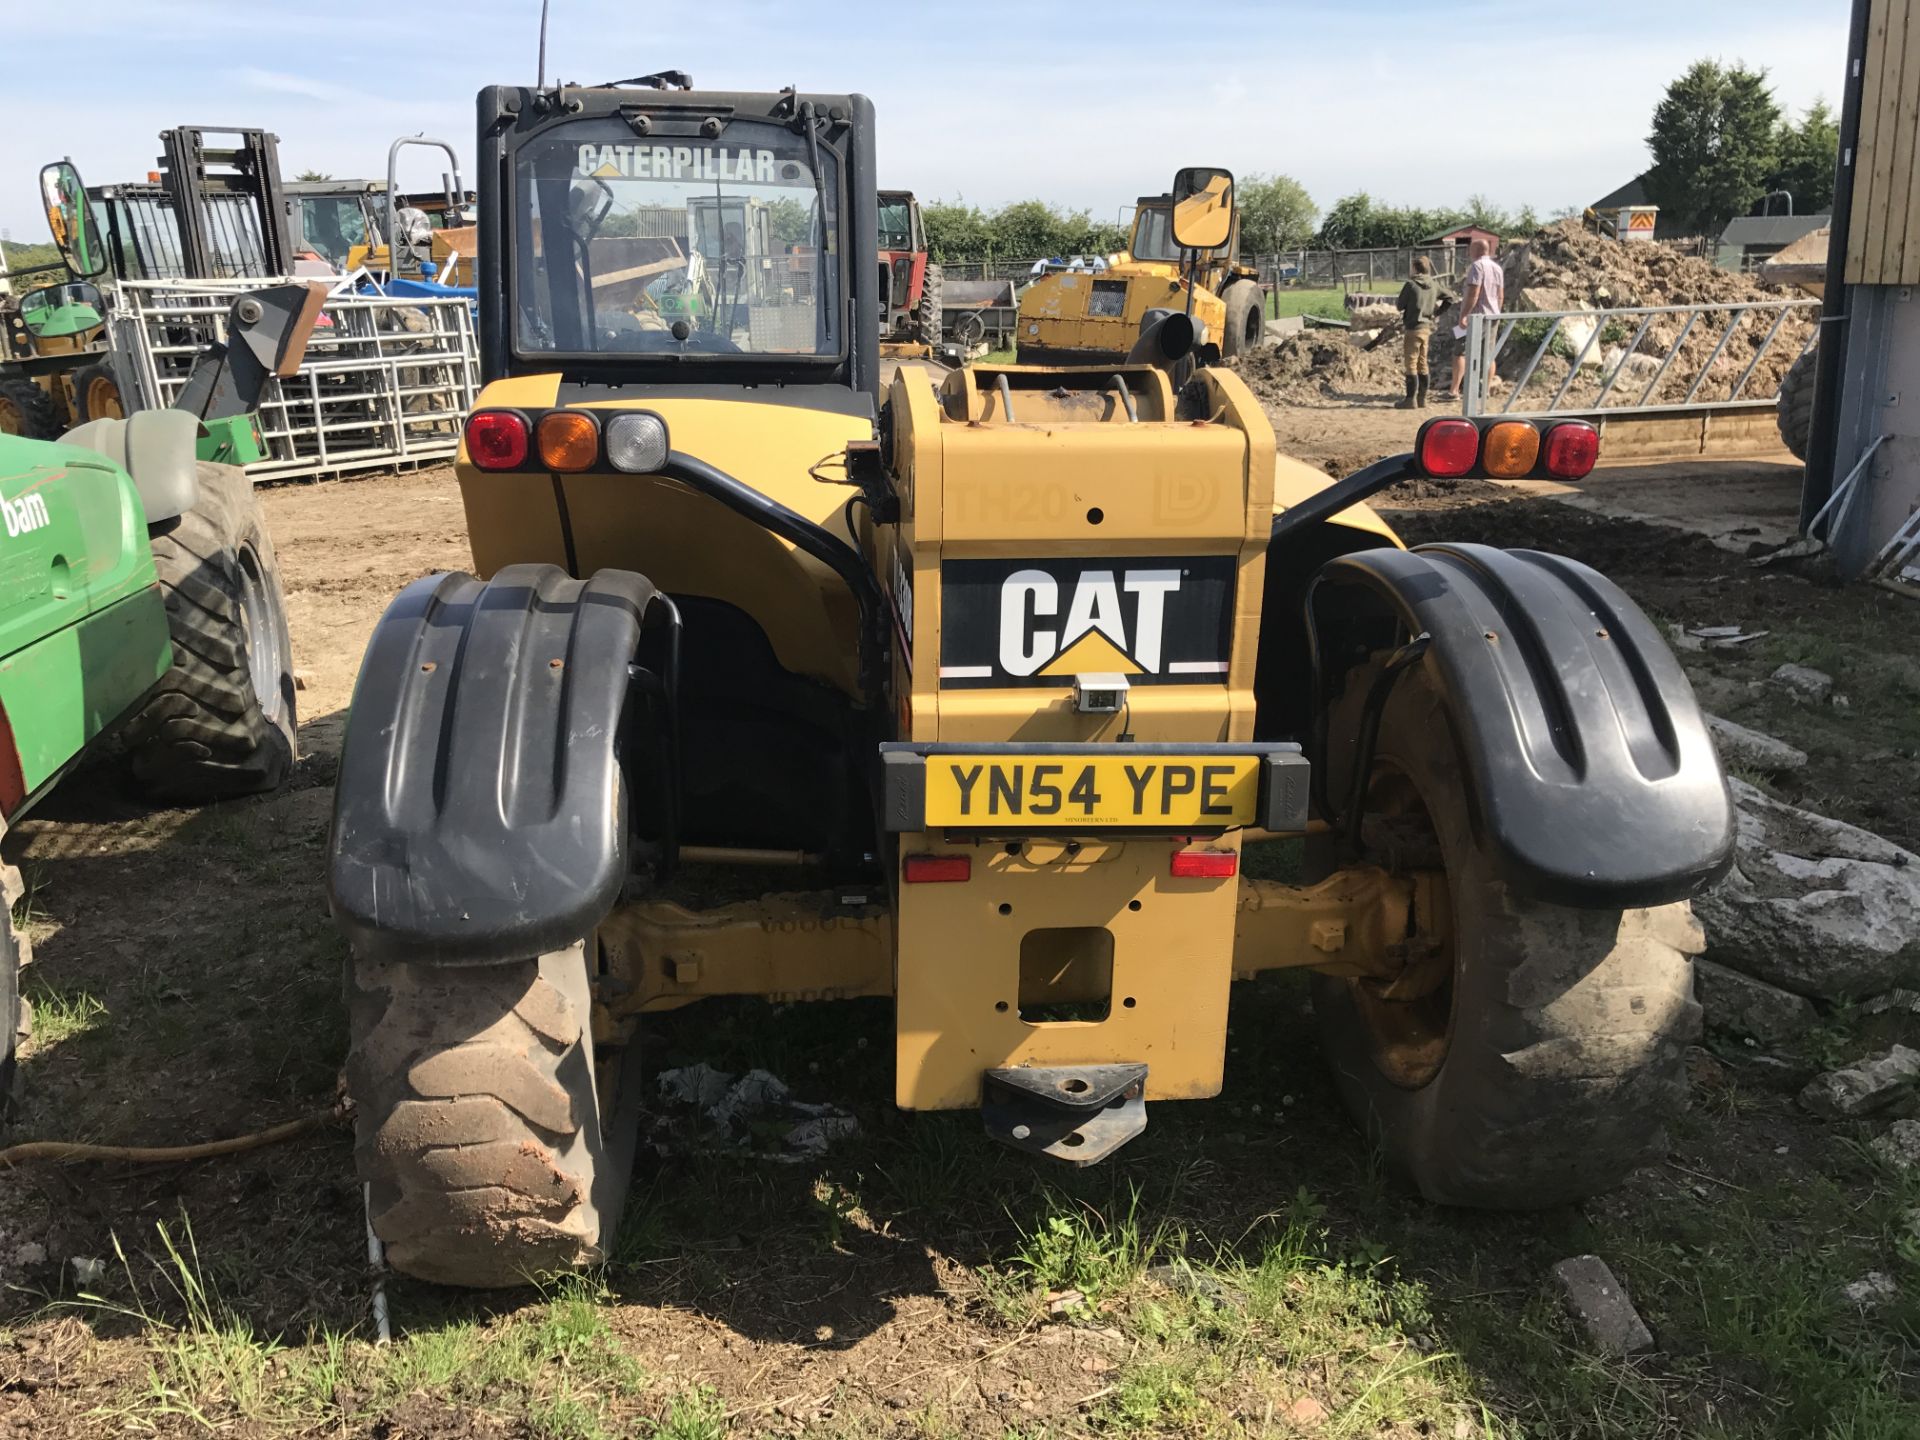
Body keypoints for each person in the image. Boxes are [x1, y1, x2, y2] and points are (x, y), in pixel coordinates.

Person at [1445, 237, 1505, 401]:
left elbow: (1474, 293)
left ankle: (1454, 391)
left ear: (1477, 250)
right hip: (1492, 316)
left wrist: (1464, 315)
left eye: (1471, 249)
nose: (1469, 252)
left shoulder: (1477, 266)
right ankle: (1484, 391)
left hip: (1475, 317)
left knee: (1460, 352)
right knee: (1489, 354)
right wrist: (1496, 312)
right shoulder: (1497, 268)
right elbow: (1500, 296)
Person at [1394, 257, 1443, 409]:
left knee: (1411, 364)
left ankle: (1410, 400)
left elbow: (1399, 306)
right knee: (1423, 363)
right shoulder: (1434, 284)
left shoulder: (1411, 284)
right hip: (1426, 329)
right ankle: (1422, 399)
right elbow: (1450, 298)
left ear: (1415, 268)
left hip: (1413, 328)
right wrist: (1437, 312)